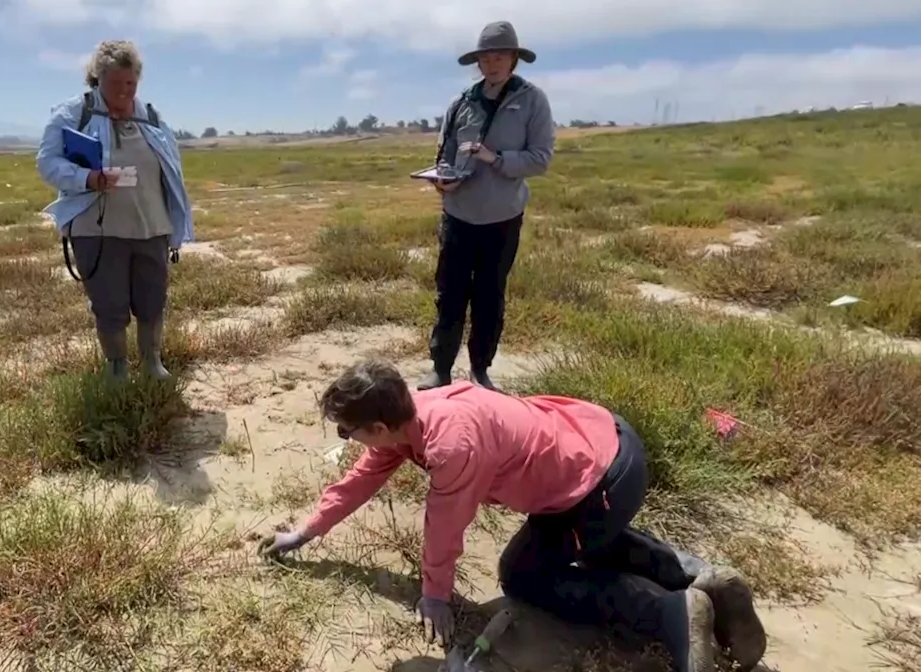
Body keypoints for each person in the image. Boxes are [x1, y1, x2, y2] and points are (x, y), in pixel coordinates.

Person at [259, 360, 767, 672]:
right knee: (581, 536)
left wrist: (434, 595)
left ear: (376, 425)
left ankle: (670, 615)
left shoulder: (451, 444)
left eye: (349, 433)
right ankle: (695, 574)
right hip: (602, 444)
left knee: (524, 575)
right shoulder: (412, 416)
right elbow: (360, 481)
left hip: (598, 481)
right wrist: (305, 531)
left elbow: (445, 524)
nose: (350, 443)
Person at [35, 39, 194, 380]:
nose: (124, 92)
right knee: (109, 305)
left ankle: (152, 363)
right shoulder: (73, 113)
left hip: (152, 226)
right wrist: (87, 178)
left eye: (130, 84)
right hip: (98, 230)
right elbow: (47, 162)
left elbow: (173, 168)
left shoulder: (151, 116)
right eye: (116, 84)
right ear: (98, 78)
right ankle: (117, 369)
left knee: (153, 300)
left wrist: (174, 220)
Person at [420, 21, 556, 392]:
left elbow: (540, 158)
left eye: (500, 55)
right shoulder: (461, 103)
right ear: (477, 62)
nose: (492, 63)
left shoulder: (532, 100)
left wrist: (495, 159)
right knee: (449, 294)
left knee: (489, 296)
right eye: (485, 57)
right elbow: (444, 154)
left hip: (502, 217)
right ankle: (441, 368)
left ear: (514, 59)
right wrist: (441, 181)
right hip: (459, 214)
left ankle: (481, 369)